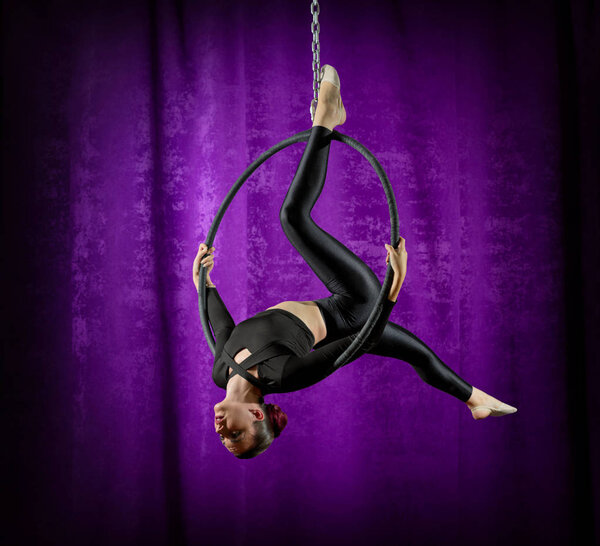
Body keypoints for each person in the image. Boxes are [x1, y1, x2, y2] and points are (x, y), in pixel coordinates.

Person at [193, 65, 517, 459]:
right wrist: (391, 293)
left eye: (224, 441)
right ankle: (326, 119)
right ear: (256, 413)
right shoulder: (283, 377)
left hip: (334, 310)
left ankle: (474, 400)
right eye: (236, 437)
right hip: (358, 308)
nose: (222, 434)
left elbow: (224, 329)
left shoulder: (219, 374)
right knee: (293, 219)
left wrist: (204, 285)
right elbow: (358, 343)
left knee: (417, 355)